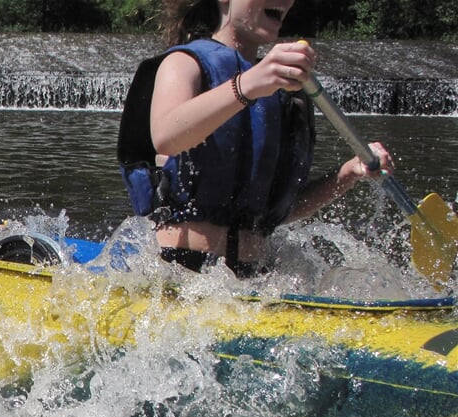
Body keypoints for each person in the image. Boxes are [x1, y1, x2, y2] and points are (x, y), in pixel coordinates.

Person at [117, 0, 395, 277]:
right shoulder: (184, 63)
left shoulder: (281, 91)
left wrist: (349, 173)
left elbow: (281, 209)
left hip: (255, 280)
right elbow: (167, 136)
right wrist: (248, 85)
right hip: (178, 270)